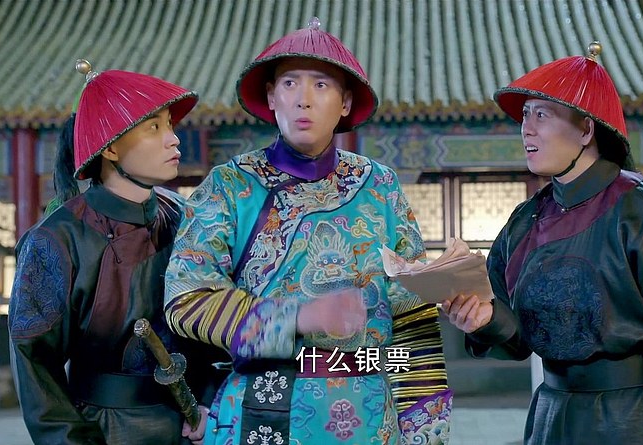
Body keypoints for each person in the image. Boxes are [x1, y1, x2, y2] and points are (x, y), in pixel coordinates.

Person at [164, 17, 451, 445]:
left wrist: (426, 426)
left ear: (345, 102)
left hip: (373, 417)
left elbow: (412, 313)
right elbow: (186, 297)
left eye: (320, 85)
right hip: (263, 409)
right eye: (290, 83)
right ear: (271, 97)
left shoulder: (381, 186)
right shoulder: (230, 186)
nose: (304, 100)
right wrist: (297, 317)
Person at [441, 42, 643, 445]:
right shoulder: (525, 221)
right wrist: (483, 319)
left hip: (637, 422)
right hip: (552, 418)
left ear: (585, 130)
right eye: (525, 115)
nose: (527, 128)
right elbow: (517, 338)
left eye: (542, 115)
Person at [8, 59, 225, 445]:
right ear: (109, 148)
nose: (173, 139)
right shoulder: (56, 239)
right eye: (154, 127)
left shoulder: (183, 216)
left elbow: (211, 319)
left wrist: (209, 404)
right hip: (104, 427)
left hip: (192, 424)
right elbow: (35, 365)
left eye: (170, 125)